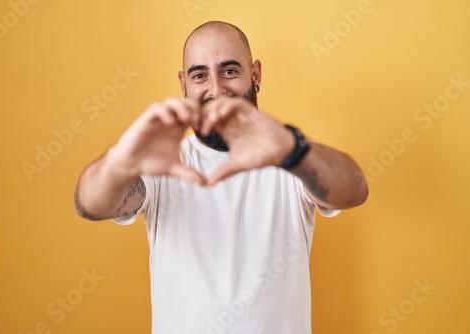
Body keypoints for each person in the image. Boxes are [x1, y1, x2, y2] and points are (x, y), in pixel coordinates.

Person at [75, 21, 368, 334]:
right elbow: (90, 204)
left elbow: (353, 191)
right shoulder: (163, 162)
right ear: (183, 84)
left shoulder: (291, 153)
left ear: (255, 75)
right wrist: (122, 161)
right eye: (199, 75)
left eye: (229, 70)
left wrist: (292, 150)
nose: (216, 89)